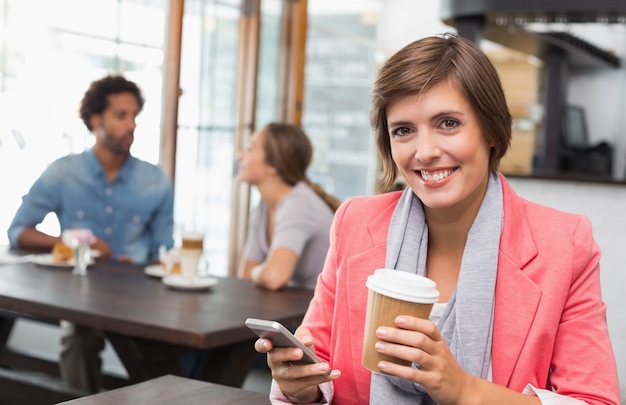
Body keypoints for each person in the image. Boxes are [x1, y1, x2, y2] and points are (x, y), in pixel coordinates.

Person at [254, 33, 620, 405]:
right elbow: (323, 368)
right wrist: (302, 388)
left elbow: (594, 401)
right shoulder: (356, 222)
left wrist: (465, 391)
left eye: (448, 123)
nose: (425, 152)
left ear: (491, 130)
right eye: (404, 130)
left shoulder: (564, 243)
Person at [7, 74, 174, 393]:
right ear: (95, 120)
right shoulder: (63, 172)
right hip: (80, 296)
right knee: (79, 338)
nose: (131, 126)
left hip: (139, 297)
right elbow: (19, 231)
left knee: (158, 352)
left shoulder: (156, 180)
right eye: (121, 116)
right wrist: (76, 243)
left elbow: (164, 251)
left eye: (135, 117)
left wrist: (144, 265)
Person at [237, 122, 340, 291]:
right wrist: (259, 272)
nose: (241, 154)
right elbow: (245, 277)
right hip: (290, 308)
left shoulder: (299, 203)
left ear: (273, 165)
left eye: (250, 148)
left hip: (317, 311)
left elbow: (274, 277)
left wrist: (258, 272)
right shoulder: (263, 208)